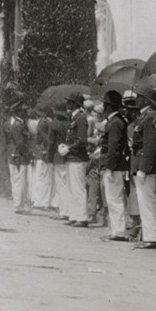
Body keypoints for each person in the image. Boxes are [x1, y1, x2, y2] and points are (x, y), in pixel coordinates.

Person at [128, 88, 156, 249]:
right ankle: (149, 235)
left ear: (146, 100)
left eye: (140, 97)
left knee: (148, 201)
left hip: (145, 166)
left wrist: (144, 167)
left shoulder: (149, 117)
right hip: (140, 164)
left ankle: (153, 237)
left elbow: (150, 145)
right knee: (144, 202)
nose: (137, 100)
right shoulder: (144, 117)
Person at [99, 89, 130, 242]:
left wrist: (109, 167)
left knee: (115, 198)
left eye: (105, 105)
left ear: (109, 107)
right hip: (113, 165)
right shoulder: (115, 121)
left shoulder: (115, 123)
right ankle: (116, 229)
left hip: (114, 166)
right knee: (113, 198)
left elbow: (113, 147)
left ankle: (119, 231)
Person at [59, 92, 90, 227]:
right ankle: (74, 215)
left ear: (74, 103)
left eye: (69, 102)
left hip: (77, 157)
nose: (67, 104)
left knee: (78, 188)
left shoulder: (81, 118)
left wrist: (69, 148)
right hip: (72, 157)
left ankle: (82, 217)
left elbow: (82, 140)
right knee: (71, 187)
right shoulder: (74, 118)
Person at [4, 103, 32, 213]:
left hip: (13, 154)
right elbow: (20, 142)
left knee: (16, 180)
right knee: (21, 180)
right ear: (17, 112)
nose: (25, 113)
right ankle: (19, 205)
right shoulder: (19, 124)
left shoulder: (9, 123)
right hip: (20, 155)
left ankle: (18, 204)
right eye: (23, 111)